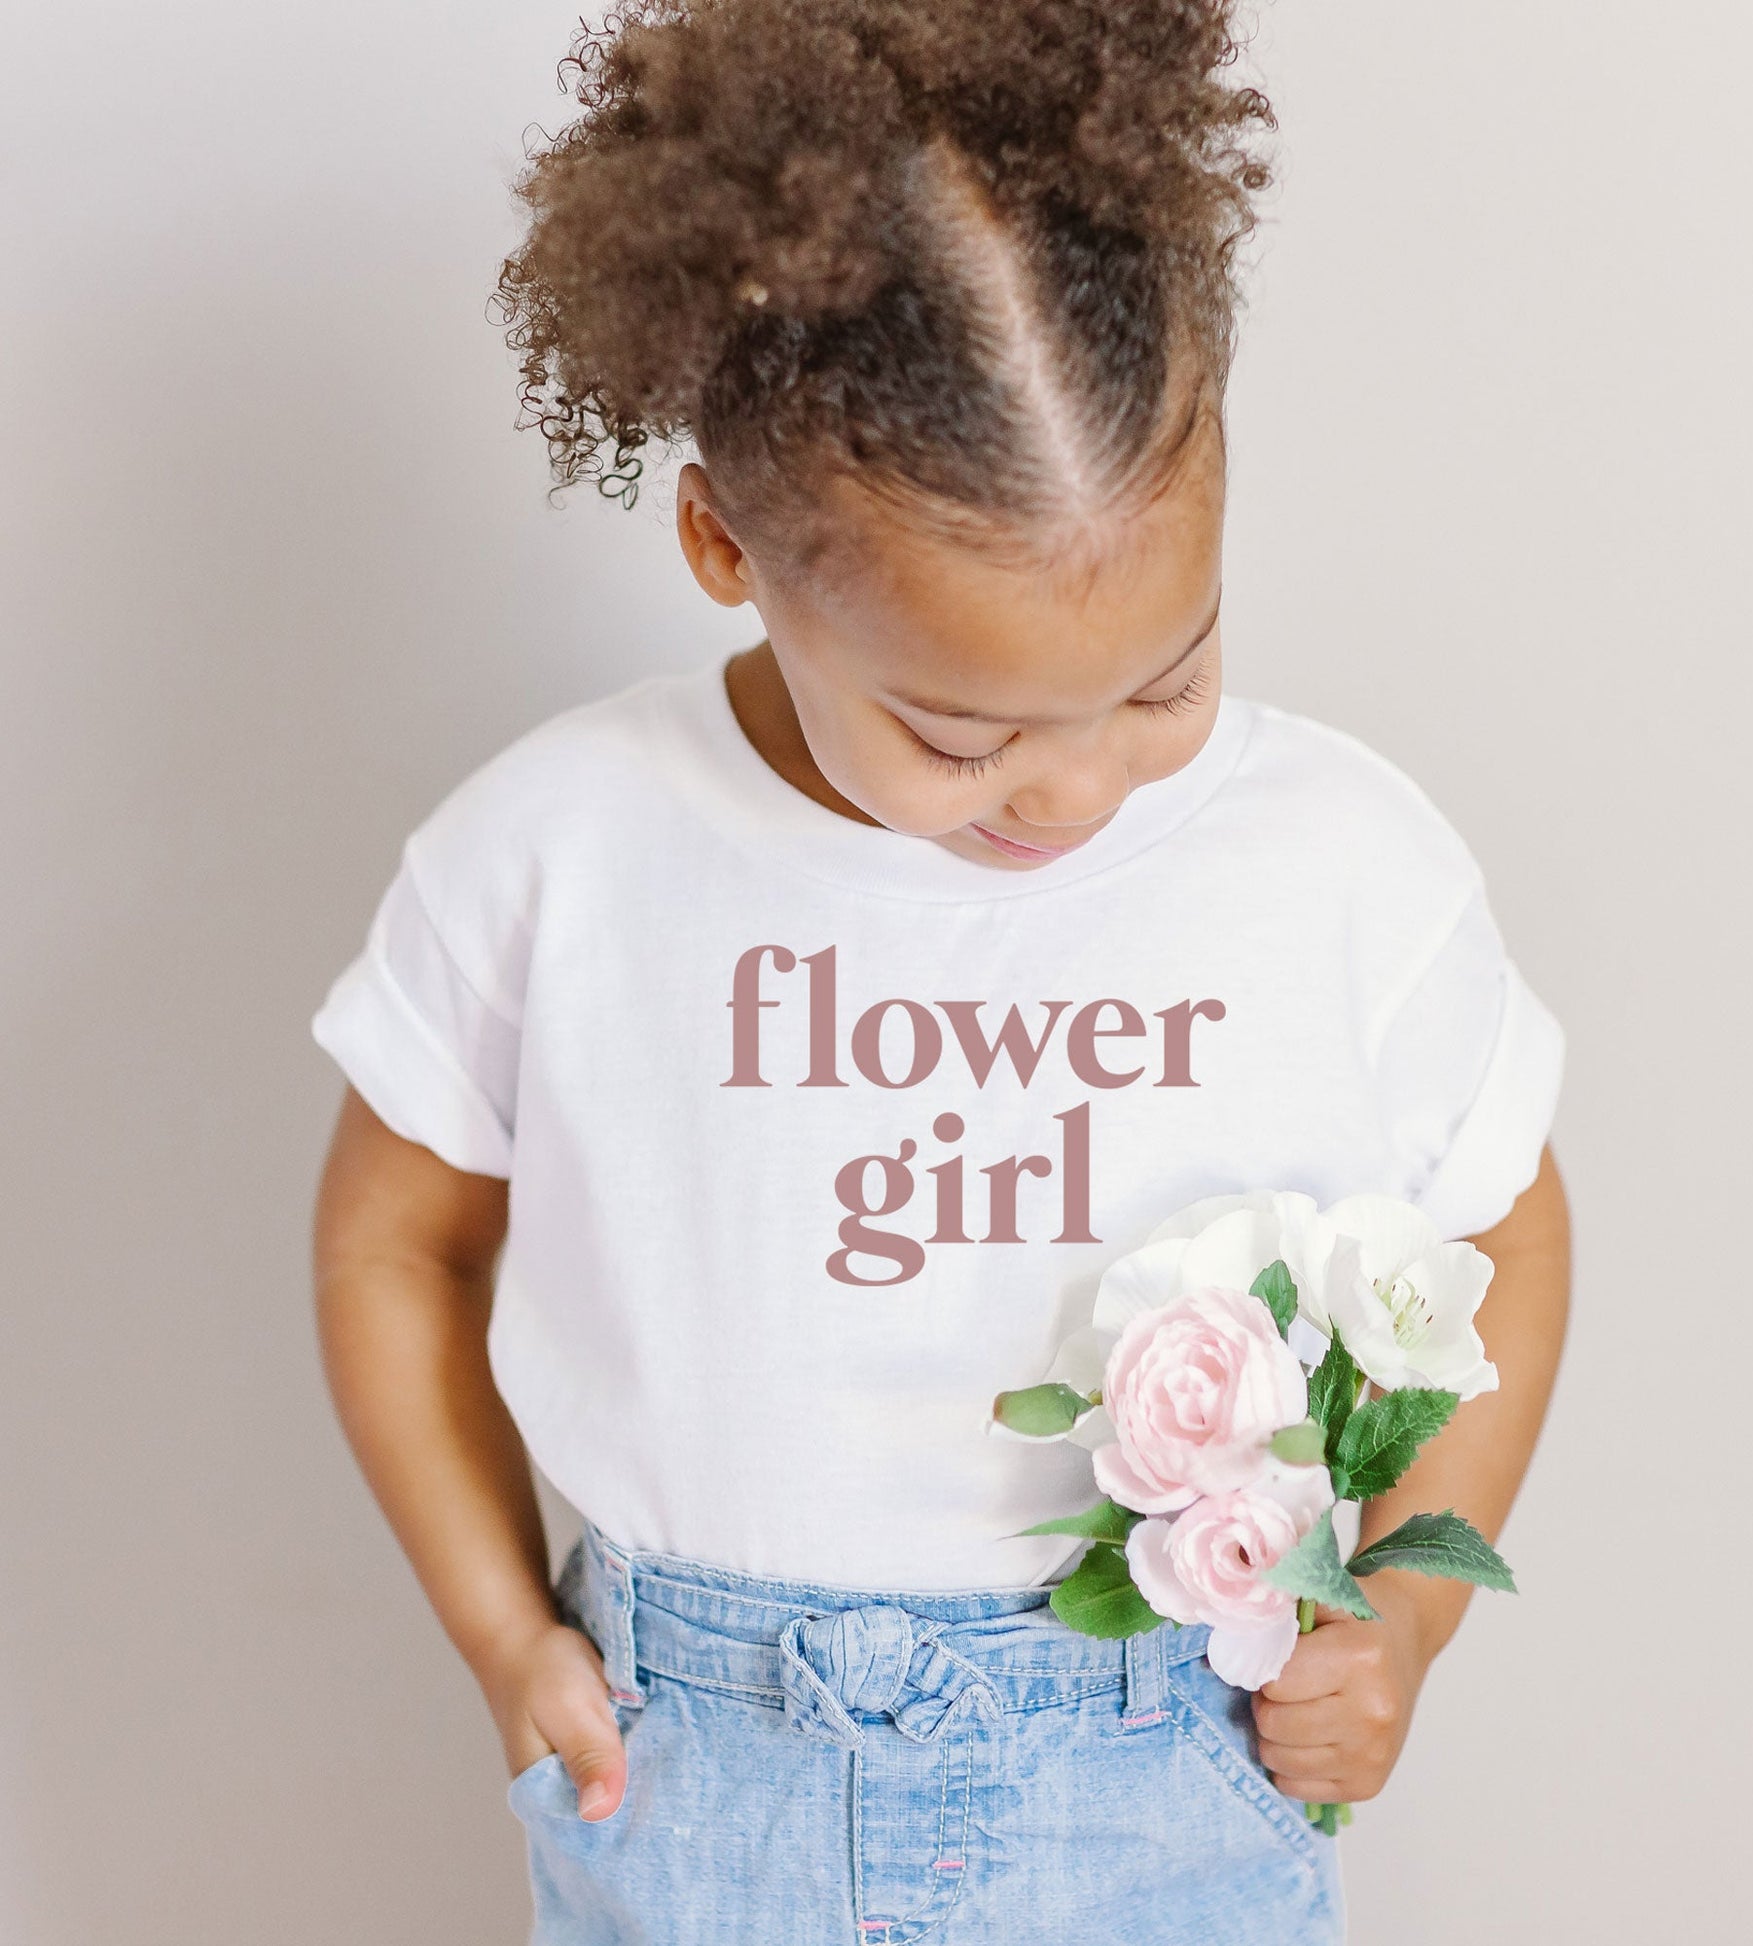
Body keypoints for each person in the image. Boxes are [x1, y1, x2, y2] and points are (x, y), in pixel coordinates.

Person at [308, 2, 1572, 1940]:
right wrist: (501, 1631)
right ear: (728, 541)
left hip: (1175, 1761)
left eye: (1164, 679)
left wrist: (1395, 1612)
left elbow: (1504, 1234)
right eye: (960, 730)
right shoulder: (560, 852)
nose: (1070, 788)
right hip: (698, 1775)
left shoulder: (1339, 859)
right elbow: (400, 1239)